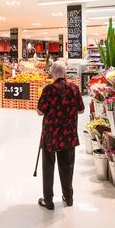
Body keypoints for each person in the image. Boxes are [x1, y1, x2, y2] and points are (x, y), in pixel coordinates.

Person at [36, 61, 84, 210]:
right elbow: (81, 110)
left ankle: (48, 201)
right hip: (68, 135)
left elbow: (39, 111)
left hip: (51, 135)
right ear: (65, 73)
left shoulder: (49, 89)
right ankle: (68, 198)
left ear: (53, 73)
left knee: (48, 167)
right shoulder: (74, 88)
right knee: (67, 166)